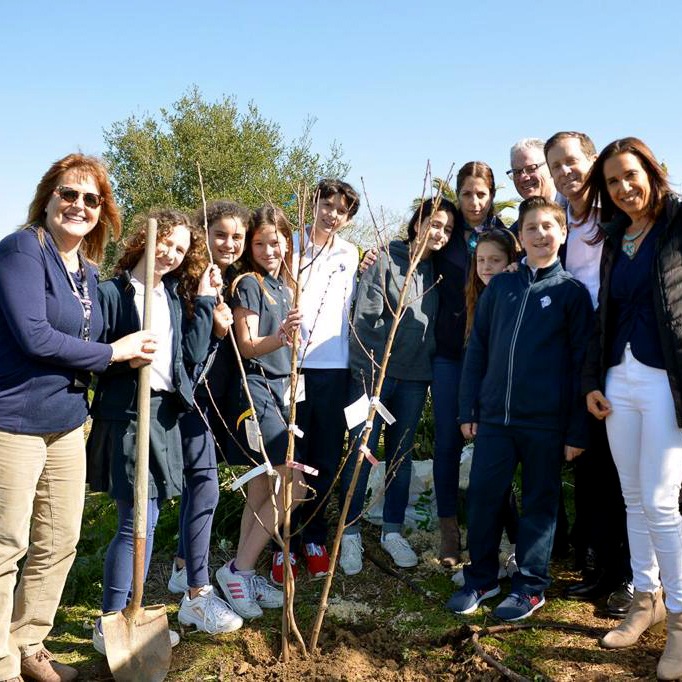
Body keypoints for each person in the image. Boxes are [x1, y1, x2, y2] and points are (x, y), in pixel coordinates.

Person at [0, 153, 154, 682]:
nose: (79, 205)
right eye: (68, 194)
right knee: (6, 545)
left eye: (92, 199)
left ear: (102, 211)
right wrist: (115, 353)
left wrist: (130, 349)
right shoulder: (22, 250)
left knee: (59, 538)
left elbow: (86, 340)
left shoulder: (86, 271)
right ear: (47, 197)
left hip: (67, 419)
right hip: (13, 418)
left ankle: (29, 643)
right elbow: (35, 335)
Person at [87, 209, 227, 652]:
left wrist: (205, 302)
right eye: (165, 242)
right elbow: (92, 355)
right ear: (145, 240)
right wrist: (122, 357)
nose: (169, 253)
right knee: (136, 520)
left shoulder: (168, 296)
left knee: (151, 515)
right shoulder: (113, 292)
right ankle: (110, 618)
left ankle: (133, 610)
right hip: (129, 413)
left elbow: (188, 358)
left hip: (164, 413)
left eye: (180, 249)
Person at [448, 196, 593, 622]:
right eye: (531, 228)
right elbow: (478, 350)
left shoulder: (571, 294)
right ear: (521, 237)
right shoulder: (502, 287)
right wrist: (466, 408)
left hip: (546, 423)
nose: (541, 234)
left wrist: (576, 431)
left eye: (549, 226)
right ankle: (482, 578)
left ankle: (530, 586)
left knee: (540, 503)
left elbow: (581, 364)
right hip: (494, 418)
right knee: (483, 498)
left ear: (562, 234)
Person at [581, 137, 682, 680]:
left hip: (668, 380)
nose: (623, 188)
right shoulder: (617, 237)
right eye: (613, 182)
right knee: (634, 496)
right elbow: (606, 313)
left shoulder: (678, 222)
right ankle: (647, 598)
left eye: (630, 175)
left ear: (651, 170)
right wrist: (595, 380)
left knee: (663, 501)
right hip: (620, 378)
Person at [338, 197, 454, 573]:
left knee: (400, 456)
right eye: (434, 224)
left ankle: (392, 530)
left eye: (448, 229)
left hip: (415, 377)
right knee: (361, 452)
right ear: (418, 223)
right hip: (374, 374)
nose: (440, 233)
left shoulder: (438, 270)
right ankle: (349, 533)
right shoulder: (386, 259)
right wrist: (369, 371)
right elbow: (365, 316)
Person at [545, 131, 632, 615]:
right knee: (591, 464)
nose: (565, 172)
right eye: (556, 166)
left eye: (572, 162)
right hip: (581, 356)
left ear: (592, 160)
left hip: (621, 350)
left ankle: (628, 574)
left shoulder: (616, 215)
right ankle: (597, 569)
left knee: (624, 469)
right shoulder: (565, 222)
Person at [167, 201, 252, 634]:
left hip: (217, 400)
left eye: (237, 236)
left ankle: (184, 568)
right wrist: (216, 328)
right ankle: (197, 595)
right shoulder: (190, 281)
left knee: (201, 486)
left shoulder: (231, 280)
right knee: (205, 487)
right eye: (221, 234)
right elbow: (189, 353)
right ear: (204, 233)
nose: (230, 243)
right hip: (191, 400)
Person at [215, 205, 303, 619]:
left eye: (276, 241)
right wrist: (282, 336)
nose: (270, 249)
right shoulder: (249, 284)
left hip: (281, 390)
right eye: (260, 243)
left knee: (263, 488)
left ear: (288, 240)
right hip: (256, 392)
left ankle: (240, 571)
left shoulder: (284, 284)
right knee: (294, 484)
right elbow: (247, 344)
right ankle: (239, 569)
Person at [274, 179, 360, 583]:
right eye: (327, 205)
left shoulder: (350, 253)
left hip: (334, 367)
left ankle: (314, 536)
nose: (332, 214)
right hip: (292, 365)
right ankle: (282, 541)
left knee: (325, 456)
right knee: (291, 456)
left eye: (341, 210)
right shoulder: (288, 245)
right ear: (314, 205)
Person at [432, 162, 507, 568]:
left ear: (491, 194)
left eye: (481, 194)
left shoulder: (506, 237)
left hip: (494, 357)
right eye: (466, 194)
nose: (474, 202)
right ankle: (449, 533)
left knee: (494, 443)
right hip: (449, 356)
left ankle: (499, 528)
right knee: (447, 443)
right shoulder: (445, 234)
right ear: (457, 196)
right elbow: (412, 248)